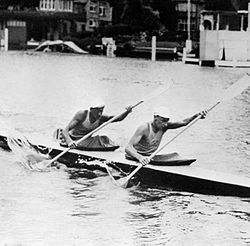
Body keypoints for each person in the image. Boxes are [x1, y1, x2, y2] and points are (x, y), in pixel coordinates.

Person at [125, 107, 207, 166]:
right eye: (163, 121)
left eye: (167, 121)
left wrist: (196, 116)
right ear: (155, 118)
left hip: (150, 158)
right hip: (135, 157)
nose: (165, 124)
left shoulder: (165, 126)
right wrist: (140, 158)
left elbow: (183, 122)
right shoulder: (144, 127)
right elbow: (128, 147)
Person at [61, 101, 133, 150]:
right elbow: (65, 131)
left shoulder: (101, 118)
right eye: (98, 111)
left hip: (86, 141)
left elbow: (118, 118)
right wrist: (69, 141)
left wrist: (127, 112)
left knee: (105, 139)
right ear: (91, 109)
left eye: (101, 111)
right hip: (73, 140)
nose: (100, 114)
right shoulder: (82, 114)